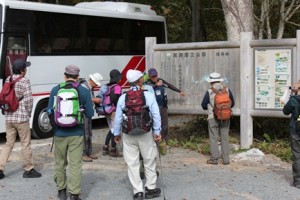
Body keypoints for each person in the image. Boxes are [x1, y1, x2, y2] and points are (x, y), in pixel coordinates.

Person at [114, 69, 162, 200]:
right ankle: (151, 189)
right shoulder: (148, 95)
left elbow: (118, 118)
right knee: (149, 160)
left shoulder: (123, 97)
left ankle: (138, 192)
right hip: (145, 132)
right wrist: (157, 132)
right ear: (140, 81)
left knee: (132, 163)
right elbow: (156, 115)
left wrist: (116, 133)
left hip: (128, 134)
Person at [47, 65, 94, 200]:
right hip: (77, 133)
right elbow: (90, 114)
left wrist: (55, 128)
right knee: (75, 164)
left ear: (65, 76)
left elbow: (49, 111)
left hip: (59, 133)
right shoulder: (83, 91)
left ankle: (61, 191)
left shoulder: (55, 90)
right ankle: (74, 194)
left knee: (60, 162)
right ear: (77, 77)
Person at [0, 59, 42, 180]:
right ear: (23, 70)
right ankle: (28, 169)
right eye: (25, 68)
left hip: (9, 118)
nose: (26, 70)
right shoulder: (24, 81)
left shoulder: (8, 79)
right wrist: (28, 113)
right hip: (21, 118)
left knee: (8, 144)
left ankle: (0, 169)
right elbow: (29, 100)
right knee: (25, 143)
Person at [201, 72, 235, 165]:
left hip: (213, 117)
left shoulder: (209, 91)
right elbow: (232, 103)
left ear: (211, 82)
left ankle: (214, 159)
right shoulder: (227, 90)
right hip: (226, 117)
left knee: (214, 138)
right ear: (220, 80)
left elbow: (203, 105)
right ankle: (226, 160)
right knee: (225, 137)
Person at [147, 67, 185, 141]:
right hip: (154, 108)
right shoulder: (148, 84)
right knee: (155, 124)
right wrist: (155, 86)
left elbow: (169, 85)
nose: (155, 78)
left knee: (165, 126)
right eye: (153, 76)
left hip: (163, 107)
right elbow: (147, 91)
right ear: (149, 77)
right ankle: (154, 140)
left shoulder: (160, 81)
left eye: (155, 76)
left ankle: (163, 140)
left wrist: (179, 91)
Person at [80, 72, 103, 162]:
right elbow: (82, 99)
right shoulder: (84, 86)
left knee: (89, 132)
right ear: (92, 81)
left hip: (87, 112)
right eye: (96, 84)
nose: (96, 86)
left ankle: (88, 152)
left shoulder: (88, 87)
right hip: (83, 113)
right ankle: (84, 153)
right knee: (85, 133)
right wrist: (94, 100)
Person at [99, 69, 123, 157]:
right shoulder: (117, 87)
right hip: (114, 110)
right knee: (115, 129)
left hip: (106, 110)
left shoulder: (106, 86)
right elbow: (115, 99)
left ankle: (105, 147)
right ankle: (113, 149)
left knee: (111, 129)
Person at [283, 81, 300, 189]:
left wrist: (291, 95)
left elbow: (285, 111)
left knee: (297, 155)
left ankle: (298, 181)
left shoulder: (293, 100)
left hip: (296, 130)